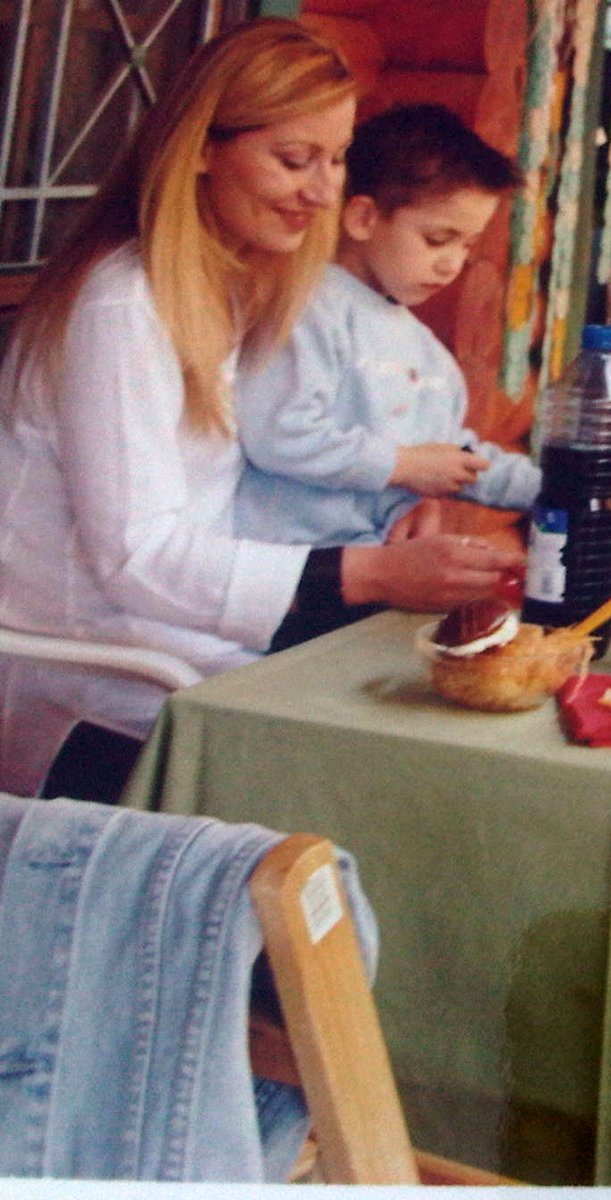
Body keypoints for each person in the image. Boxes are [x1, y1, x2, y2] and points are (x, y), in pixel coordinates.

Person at [0, 20, 522, 802]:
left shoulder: (235, 286)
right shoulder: (123, 308)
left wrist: (396, 496)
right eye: (294, 159)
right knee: (400, 772)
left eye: (336, 159)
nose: (323, 191)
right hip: (97, 671)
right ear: (201, 150)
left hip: (191, 635)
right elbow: (137, 556)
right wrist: (371, 572)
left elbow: (255, 463)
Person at [234, 103, 537, 548]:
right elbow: (277, 434)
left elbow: (446, 454)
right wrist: (403, 466)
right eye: (437, 239)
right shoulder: (308, 308)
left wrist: (556, 488)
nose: (452, 264)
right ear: (363, 219)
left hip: (374, 566)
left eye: (468, 246)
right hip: (290, 566)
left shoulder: (428, 353)